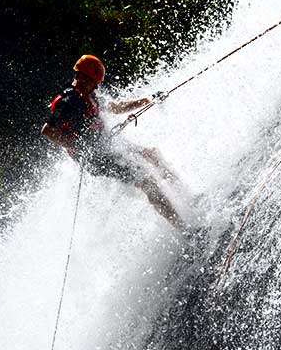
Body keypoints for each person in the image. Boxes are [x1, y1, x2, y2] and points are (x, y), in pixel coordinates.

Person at [41, 54, 185, 229]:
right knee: (147, 182)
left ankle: (187, 197)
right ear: (82, 78)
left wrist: (148, 100)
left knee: (151, 154)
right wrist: (79, 147)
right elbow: (48, 131)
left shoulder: (90, 95)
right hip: (94, 159)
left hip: (105, 145)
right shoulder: (69, 101)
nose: (96, 86)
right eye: (94, 82)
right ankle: (184, 229)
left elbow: (116, 107)